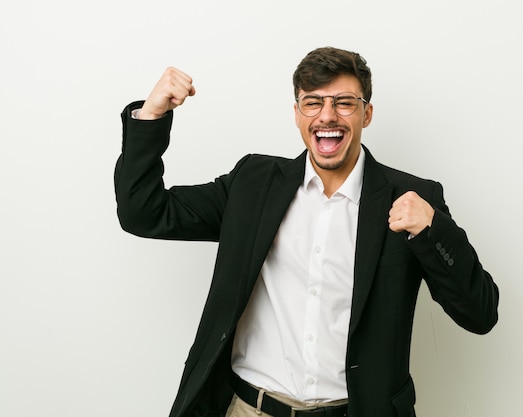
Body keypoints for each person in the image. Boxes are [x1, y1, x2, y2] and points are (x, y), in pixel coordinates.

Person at [114, 46, 499, 417]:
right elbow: (143, 213)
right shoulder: (253, 184)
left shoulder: (412, 199)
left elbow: (480, 314)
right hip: (249, 408)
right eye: (313, 102)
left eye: (344, 102)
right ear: (297, 114)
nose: (327, 116)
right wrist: (152, 114)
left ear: (366, 114)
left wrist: (432, 229)